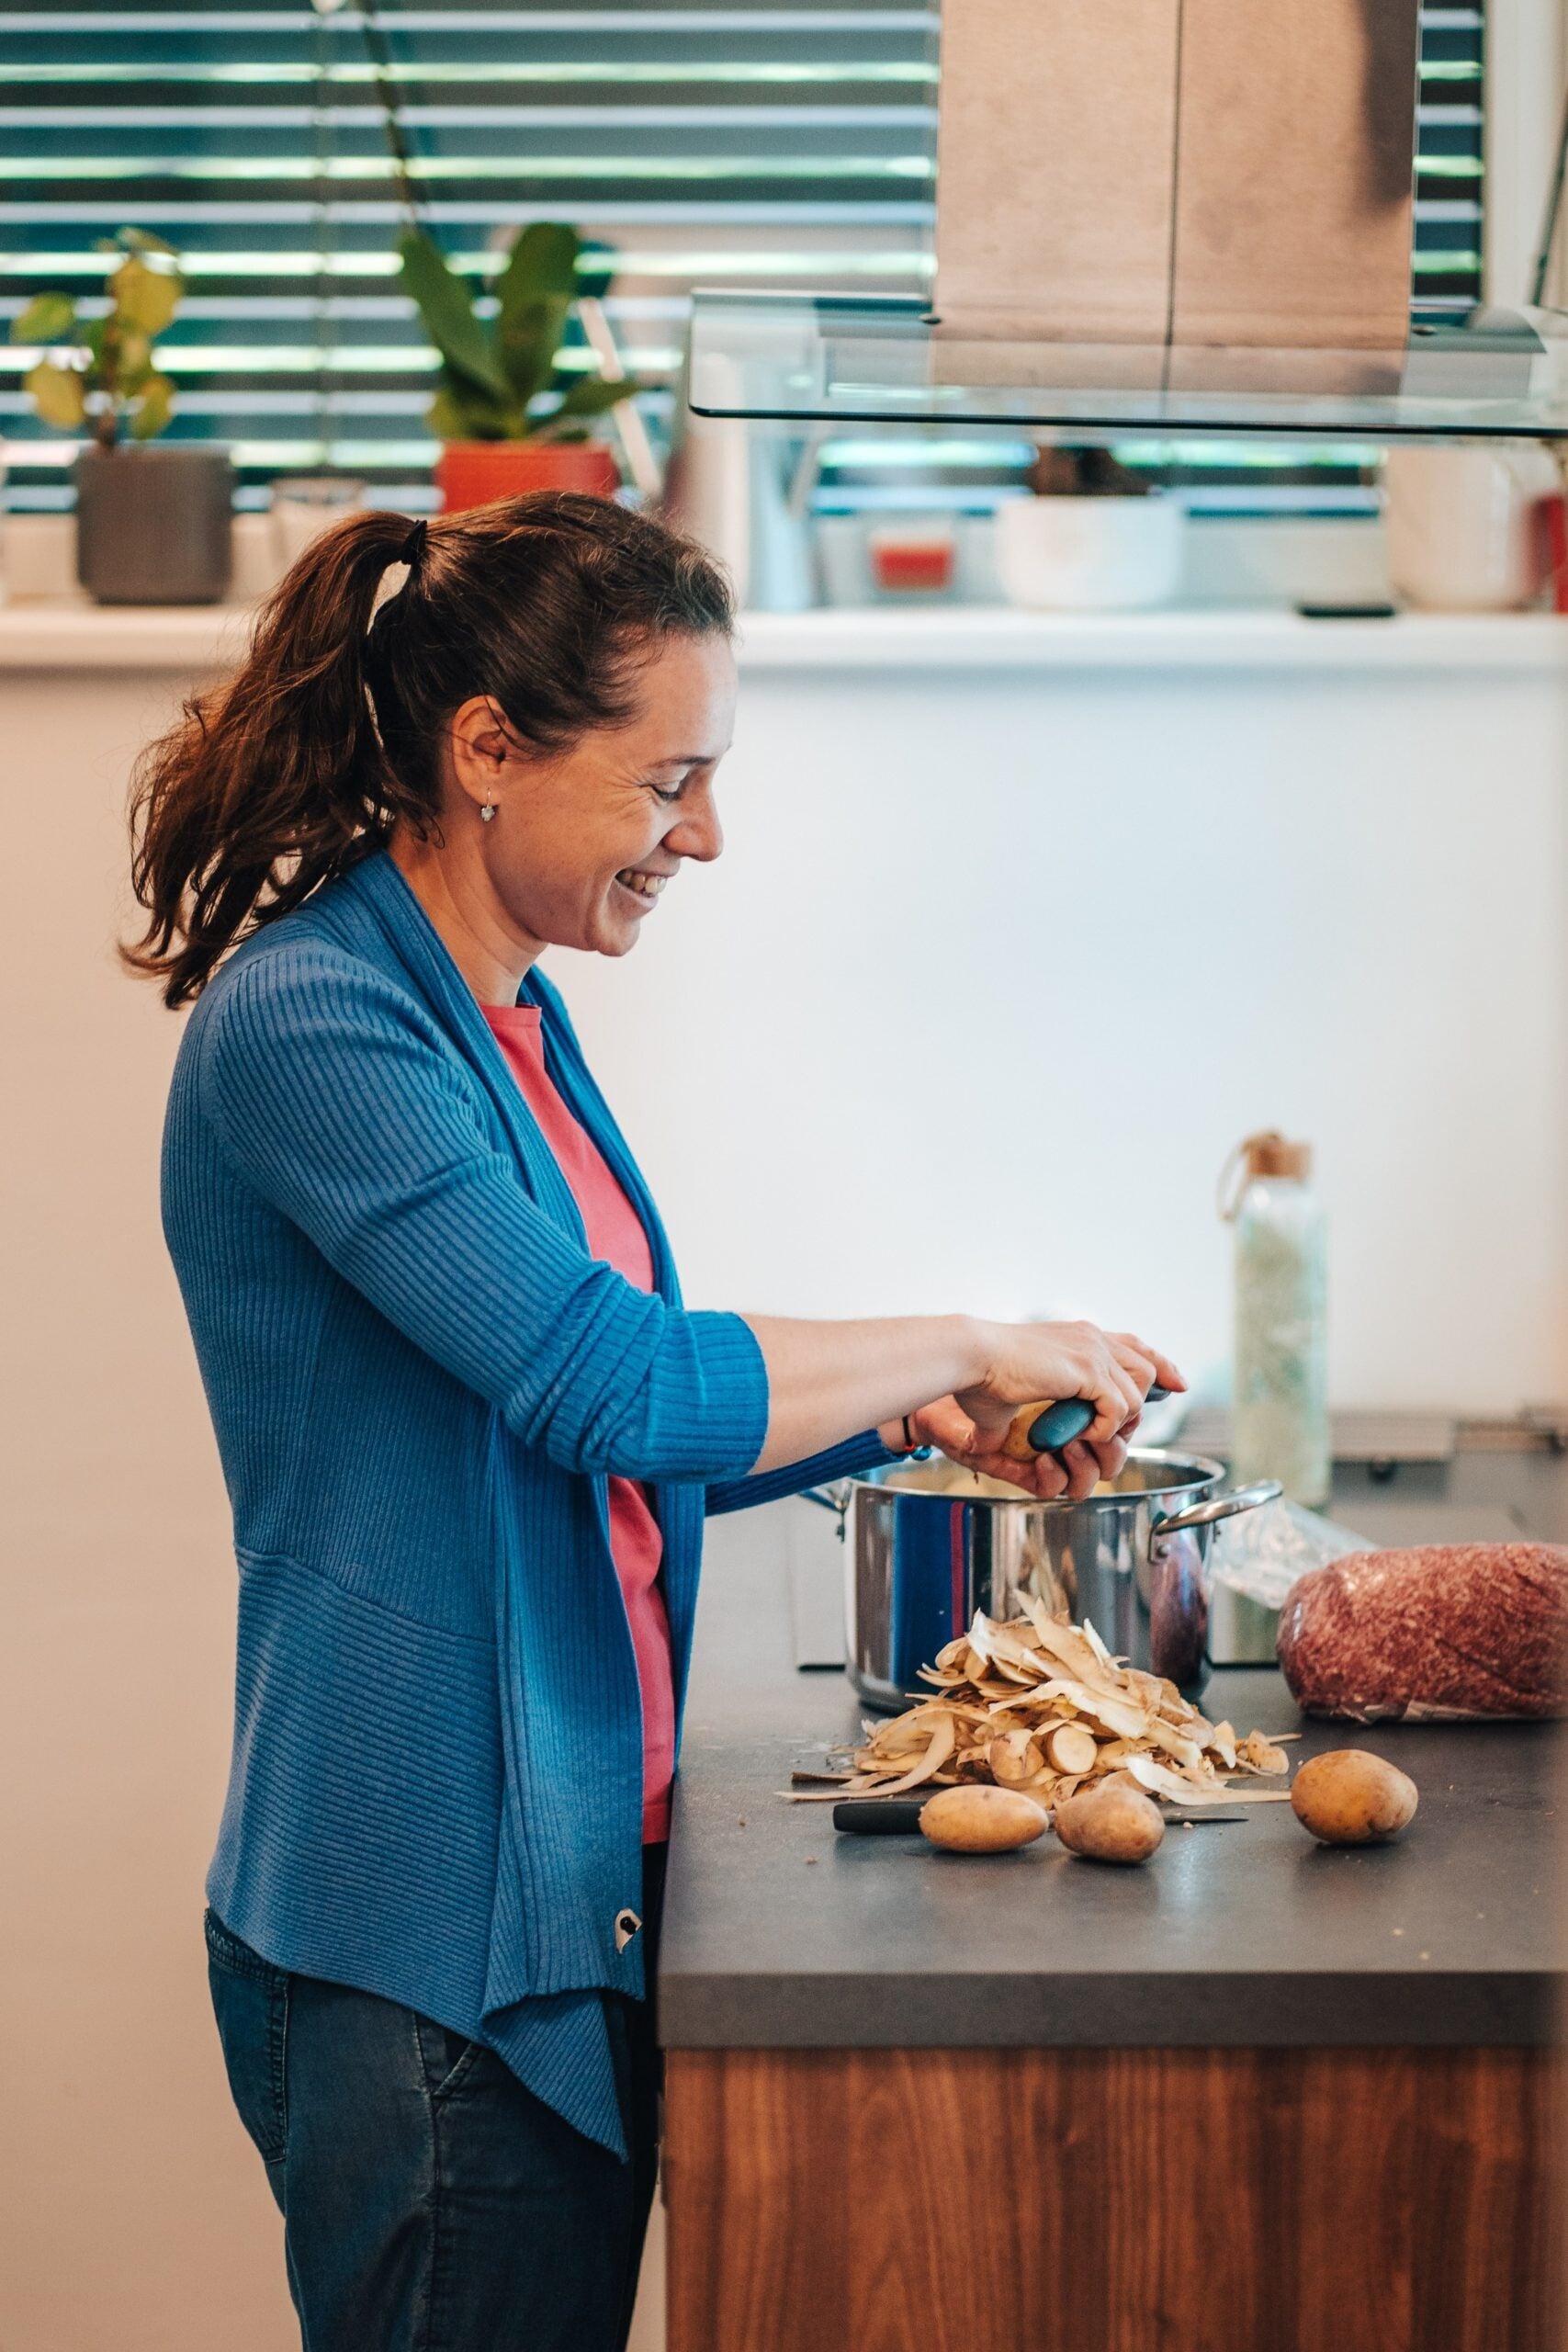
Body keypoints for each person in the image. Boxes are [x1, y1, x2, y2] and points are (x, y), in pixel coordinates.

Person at [125, 492, 1182, 2352]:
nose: (705, 833)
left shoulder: (511, 1018)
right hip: (433, 1928)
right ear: (487, 751)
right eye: (668, 780)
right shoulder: (313, 1026)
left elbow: (601, 1430)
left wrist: (923, 1413)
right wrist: (961, 1328)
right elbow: (604, 1376)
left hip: (570, 1879)